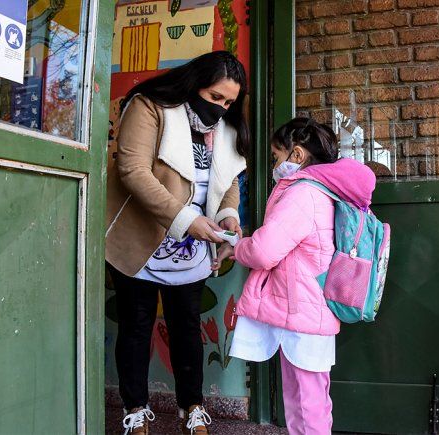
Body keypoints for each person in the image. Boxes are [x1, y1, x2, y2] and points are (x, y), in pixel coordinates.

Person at [105, 51, 249, 435]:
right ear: (194, 83)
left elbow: (228, 182)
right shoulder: (150, 106)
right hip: (141, 240)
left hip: (192, 249)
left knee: (187, 329)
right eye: (215, 97)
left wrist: (228, 218)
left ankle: (192, 407)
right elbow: (133, 171)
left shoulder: (224, 127)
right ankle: (135, 409)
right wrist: (186, 220)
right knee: (135, 327)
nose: (220, 108)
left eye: (229, 102)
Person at [212, 118, 376, 435]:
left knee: (305, 402)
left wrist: (239, 246)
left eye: (276, 157)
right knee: (307, 400)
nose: (274, 166)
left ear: (297, 155)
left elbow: (264, 251)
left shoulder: (303, 194)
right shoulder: (321, 191)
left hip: (303, 311)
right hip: (308, 308)